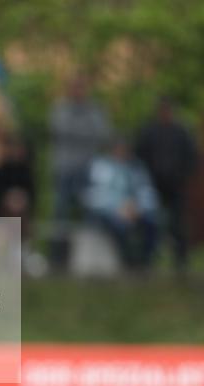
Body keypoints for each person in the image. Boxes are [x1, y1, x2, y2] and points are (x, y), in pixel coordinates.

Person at [48, 75, 112, 268]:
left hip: (88, 169)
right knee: (60, 212)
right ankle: (57, 259)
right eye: (74, 88)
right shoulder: (60, 109)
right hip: (65, 169)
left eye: (80, 88)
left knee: (91, 212)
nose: (78, 92)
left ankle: (89, 259)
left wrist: (76, 132)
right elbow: (59, 128)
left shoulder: (95, 110)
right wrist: (85, 132)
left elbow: (103, 133)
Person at [135, 97, 198, 273]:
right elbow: (139, 154)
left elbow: (192, 156)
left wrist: (183, 175)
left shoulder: (181, 132)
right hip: (153, 184)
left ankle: (181, 261)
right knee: (150, 220)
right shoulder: (149, 132)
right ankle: (147, 259)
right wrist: (145, 177)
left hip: (175, 185)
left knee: (177, 223)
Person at [84, 138, 160, 270]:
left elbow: (146, 191)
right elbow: (97, 195)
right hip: (109, 211)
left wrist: (138, 208)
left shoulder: (137, 168)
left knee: (152, 223)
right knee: (120, 227)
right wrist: (118, 208)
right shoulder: (102, 167)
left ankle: (145, 261)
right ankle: (127, 262)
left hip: (135, 210)